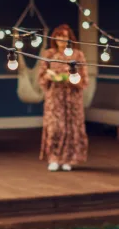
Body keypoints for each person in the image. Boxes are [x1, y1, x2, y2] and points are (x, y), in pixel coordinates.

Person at [38, 24, 88, 172]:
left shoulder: (78, 55)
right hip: (54, 97)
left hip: (72, 97)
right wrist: (49, 76)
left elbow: (84, 78)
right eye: (58, 36)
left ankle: (68, 159)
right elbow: (41, 76)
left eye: (64, 37)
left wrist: (69, 78)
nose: (61, 39)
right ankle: (53, 158)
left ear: (69, 39)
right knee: (55, 127)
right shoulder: (49, 54)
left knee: (71, 129)